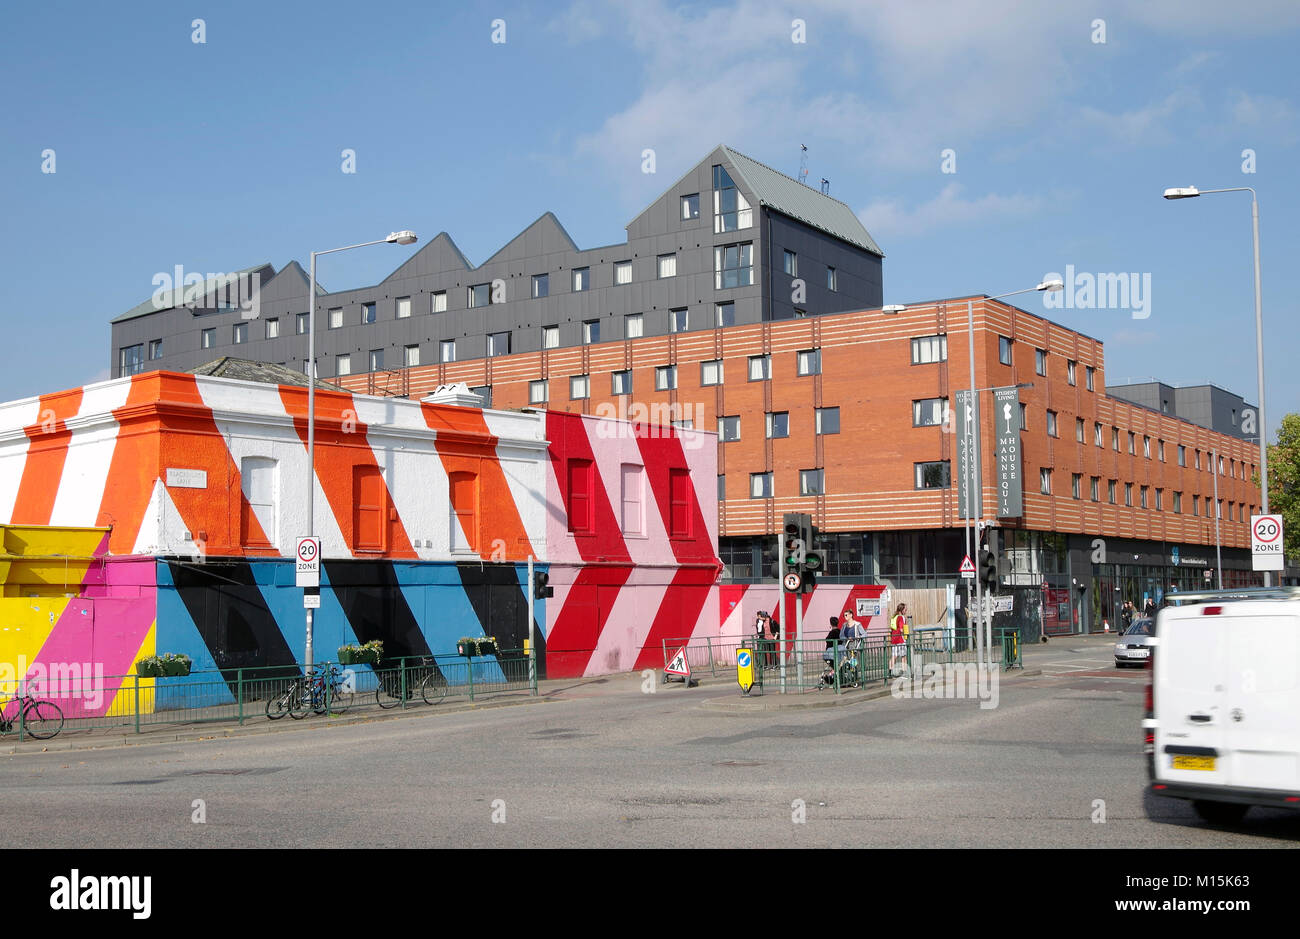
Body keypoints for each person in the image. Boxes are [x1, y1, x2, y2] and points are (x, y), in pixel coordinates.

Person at [889, 603, 908, 676]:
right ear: (902, 610)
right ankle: (904, 671)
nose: (906, 611)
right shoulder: (901, 617)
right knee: (904, 656)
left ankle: (891, 671)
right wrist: (907, 633)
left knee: (894, 656)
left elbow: (892, 629)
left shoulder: (894, 617)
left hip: (894, 639)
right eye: (905, 609)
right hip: (900, 639)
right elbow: (901, 629)